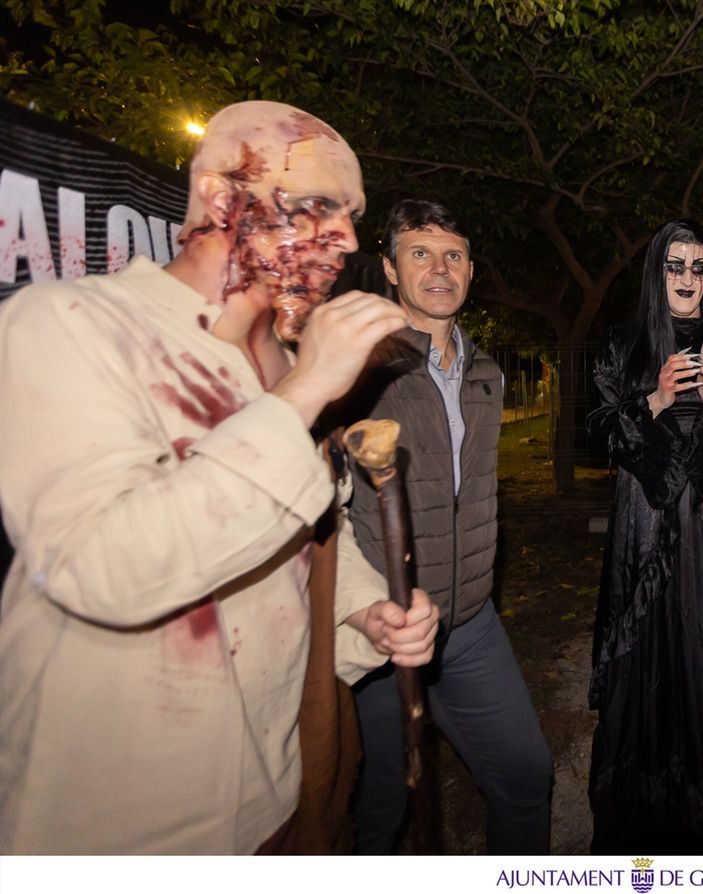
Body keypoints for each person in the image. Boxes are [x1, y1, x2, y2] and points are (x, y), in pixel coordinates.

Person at [0, 101, 440, 854]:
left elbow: (308, 543)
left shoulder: (283, 360)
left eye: (351, 214)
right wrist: (305, 392)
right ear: (218, 199)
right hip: (119, 826)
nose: (346, 238)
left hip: (270, 801)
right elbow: (99, 566)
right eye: (318, 206)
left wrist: (364, 612)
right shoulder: (69, 323)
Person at [335, 199, 552, 854]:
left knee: (525, 775)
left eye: (453, 254)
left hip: (470, 626)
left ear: (470, 270)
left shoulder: (484, 373)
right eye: (421, 252)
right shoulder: (355, 372)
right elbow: (323, 509)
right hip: (387, 631)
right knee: (382, 804)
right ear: (390, 269)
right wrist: (362, 612)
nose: (439, 267)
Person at [587, 218, 703, 854]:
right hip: (648, 531)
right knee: (649, 665)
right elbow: (599, 434)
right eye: (676, 265)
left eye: (700, 267)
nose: (689, 278)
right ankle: (647, 824)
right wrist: (654, 402)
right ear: (657, 271)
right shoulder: (622, 342)